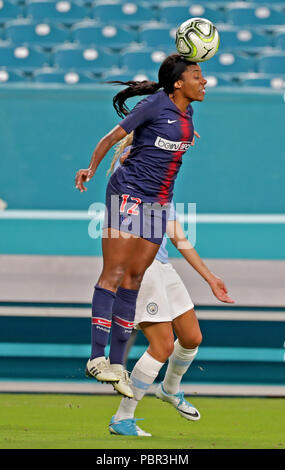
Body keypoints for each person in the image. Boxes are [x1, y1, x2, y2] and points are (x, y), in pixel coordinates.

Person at [75, 54, 209, 399]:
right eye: (197, 75)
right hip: (127, 193)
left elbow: (157, 143)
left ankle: (117, 366)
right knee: (114, 273)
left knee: (133, 280)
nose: (204, 81)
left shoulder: (186, 114)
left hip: (157, 204)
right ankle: (96, 358)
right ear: (178, 83)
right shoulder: (154, 104)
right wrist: (90, 168)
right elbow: (109, 138)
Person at [107, 138, 234, 437]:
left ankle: (169, 389)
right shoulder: (128, 174)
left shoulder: (162, 189)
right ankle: (122, 418)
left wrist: (210, 278)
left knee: (191, 337)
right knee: (162, 345)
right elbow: (126, 161)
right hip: (139, 267)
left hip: (162, 266)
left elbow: (179, 239)